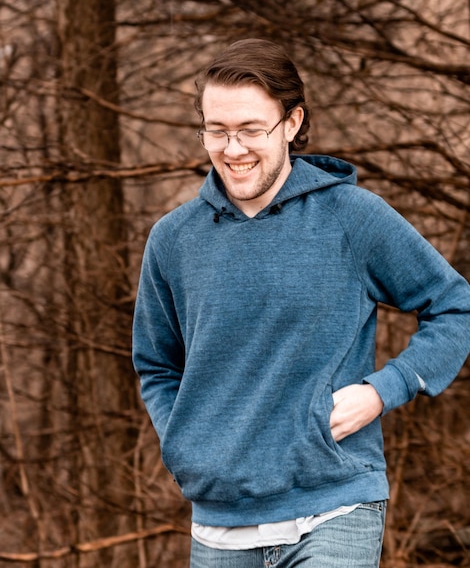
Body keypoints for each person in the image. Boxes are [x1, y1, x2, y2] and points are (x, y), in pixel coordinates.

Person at [132, 39, 470, 567]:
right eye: (217, 131)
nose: (232, 148)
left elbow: (455, 305)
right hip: (220, 524)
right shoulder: (173, 240)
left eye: (250, 129)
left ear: (291, 123)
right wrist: (188, 445)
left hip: (335, 504)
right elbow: (156, 364)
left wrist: (384, 390)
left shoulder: (351, 217)